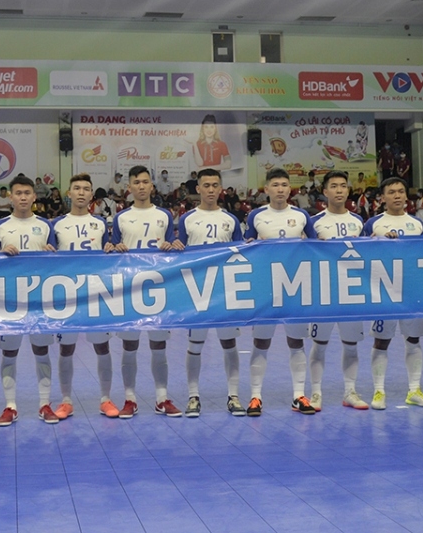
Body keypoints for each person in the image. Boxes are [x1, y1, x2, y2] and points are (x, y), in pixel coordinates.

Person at [109, 165, 183, 418]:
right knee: (129, 345)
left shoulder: (164, 215)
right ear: (128, 188)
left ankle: (162, 397)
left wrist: (172, 246)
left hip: (158, 289)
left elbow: (174, 248)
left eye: (145, 182)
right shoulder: (120, 217)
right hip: (129, 289)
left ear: (152, 186)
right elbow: (114, 250)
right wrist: (114, 248)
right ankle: (129, 399)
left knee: (158, 345)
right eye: (136, 182)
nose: (141, 186)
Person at [243, 167, 313, 417]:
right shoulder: (256, 216)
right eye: (276, 185)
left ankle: (298, 395)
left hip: (296, 287)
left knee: (296, 341)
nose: (281, 189)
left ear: (290, 189)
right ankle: (255, 396)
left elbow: (317, 249)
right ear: (267, 189)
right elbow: (245, 247)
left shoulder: (302, 215)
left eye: (285, 185)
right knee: (261, 342)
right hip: (266, 288)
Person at [362, 177, 423, 409]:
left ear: (406, 196)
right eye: (391, 192)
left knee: (413, 340)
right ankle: (379, 392)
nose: (397, 195)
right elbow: (359, 252)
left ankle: (414, 390)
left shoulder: (417, 223)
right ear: (382, 197)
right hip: (384, 291)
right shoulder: (373, 223)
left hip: (412, 291)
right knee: (381, 341)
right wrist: (375, 241)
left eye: (401, 191)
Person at [49, 174, 118, 418]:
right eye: (76, 188)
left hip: (95, 294)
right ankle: (66, 400)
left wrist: (109, 249)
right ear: (68, 193)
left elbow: (109, 252)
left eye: (86, 189)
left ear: (91, 195)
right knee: (66, 349)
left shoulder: (100, 224)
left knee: (102, 346)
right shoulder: (55, 224)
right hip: (66, 296)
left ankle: (106, 399)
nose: (81, 192)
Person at [177, 168, 244, 417]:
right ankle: (193, 396)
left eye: (215, 185)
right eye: (206, 185)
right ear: (198, 189)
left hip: (225, 291)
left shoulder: (231, 220)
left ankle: (234, 395)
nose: (211, 190)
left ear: (221, 188)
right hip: (198, 291)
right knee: (196, 344)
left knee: (229, 343)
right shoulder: (187, 219)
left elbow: (241, 254)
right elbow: (180, 250)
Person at [0, 175, 57, 425]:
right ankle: (10, 406)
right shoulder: (0, 226)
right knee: (9, 352)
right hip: (10, 299)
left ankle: (44, 404)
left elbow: (56, 264)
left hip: (39, 299)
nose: (23, 197)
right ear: (11, 196)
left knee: (42, 350)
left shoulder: (46, 225)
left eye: (27, 193)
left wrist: (53, 254)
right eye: (18, 193)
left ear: (34, 196)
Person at [306, 171, 371, 410]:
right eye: (334, 186)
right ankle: (315, 393)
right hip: (323, 292)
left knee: (351, 344)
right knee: (319, 343)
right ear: (325, 192)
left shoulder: (358, 221)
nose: (339, 190)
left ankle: (350, 391)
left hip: (351, 292)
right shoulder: (314, 222)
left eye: (343, 186)